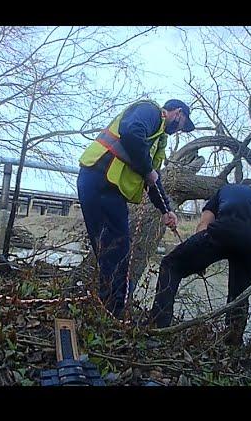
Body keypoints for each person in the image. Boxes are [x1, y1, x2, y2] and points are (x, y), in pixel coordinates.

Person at [77, 99, 195, 319]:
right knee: (115, 249)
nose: (179, 130)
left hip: (108, 188)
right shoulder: (150, 111)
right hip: (99, 179)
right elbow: (131, 133)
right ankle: (114, 312)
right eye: (182, 124)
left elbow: (152, 179)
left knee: (113, 250)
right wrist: (148, 170)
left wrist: (165, 210)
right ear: (178, 113)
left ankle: (108, 310)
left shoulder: (158, 140)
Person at [149, 178, 251, 345]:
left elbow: (204, 223)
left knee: (171, 265)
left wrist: (198, 259)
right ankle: (233, 344)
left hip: (222, 232)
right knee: (239, 295)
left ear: (240, 186)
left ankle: (159, 329)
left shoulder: (226, 189)